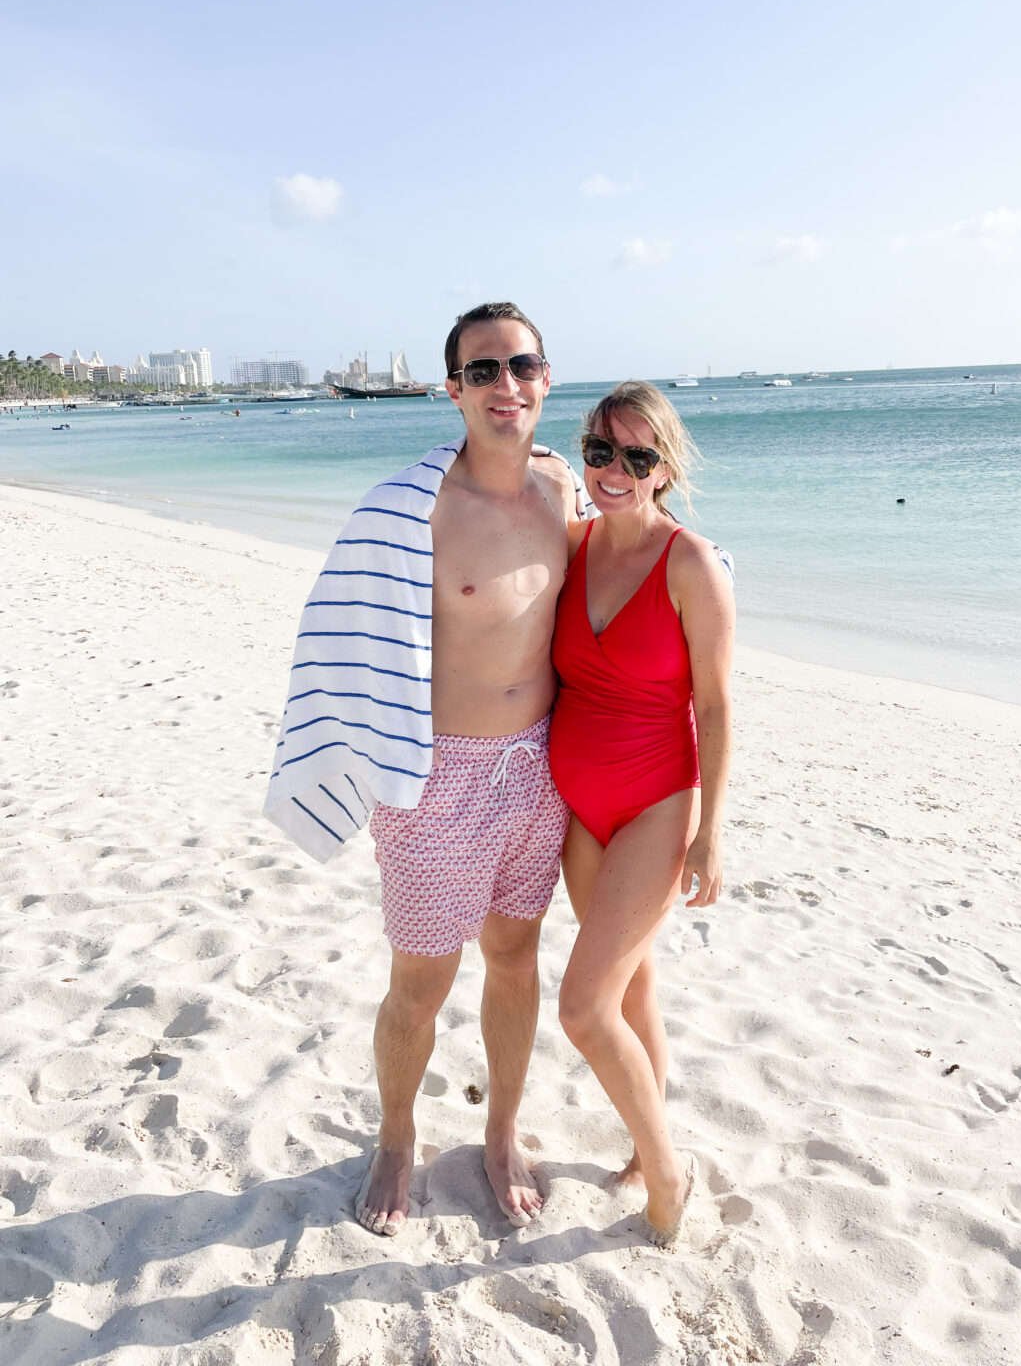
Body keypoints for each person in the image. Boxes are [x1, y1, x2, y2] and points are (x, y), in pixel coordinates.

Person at [264, 301, 588, 1236]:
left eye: (520, 366)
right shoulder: (410, 510)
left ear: (545, 378)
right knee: (421, 980)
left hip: (538, 769)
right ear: (452, 389)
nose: (504, 385)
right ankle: (397, 1136)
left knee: (516, 958)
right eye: (481, 371)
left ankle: (500, 1132)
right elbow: (340, 633)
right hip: (436, 779)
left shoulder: (561, 491)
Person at [549, 380, 735, 1246]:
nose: (613, 472)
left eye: (636, 457)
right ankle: (642, 1136)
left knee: (585, 1007)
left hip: (658, 801)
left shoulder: (691, 564)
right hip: (579, 804)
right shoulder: (573, 544)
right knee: (633, 985)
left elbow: (716, 707)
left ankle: (667, 1167)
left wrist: (710, 831)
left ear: (664, 467)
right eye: (598, 452)